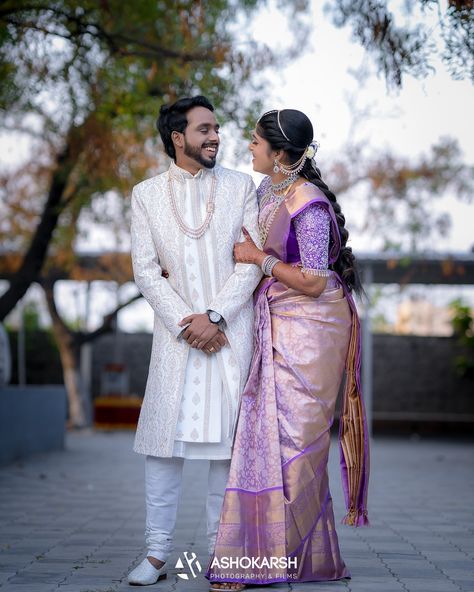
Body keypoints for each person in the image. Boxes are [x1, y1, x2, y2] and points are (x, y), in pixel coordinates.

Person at [207, 109, 370, 590]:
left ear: (281, 155)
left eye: (256, 143)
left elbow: (315, 282)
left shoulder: (309, 203)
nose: (250, 149)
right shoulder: (265, 191)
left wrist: (259, 260)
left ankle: (266, 560)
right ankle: (283, 557)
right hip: (274, 320)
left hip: (312, 328)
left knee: (296, 441)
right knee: (261, 438)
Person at [127, 96, 262, 586]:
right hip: (178, 339)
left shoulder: (241, 187)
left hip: (229, 336)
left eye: (217, 128)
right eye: (205, 129)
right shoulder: (144, 195)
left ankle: (220, 554)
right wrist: (189, 323)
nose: (216, 137)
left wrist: (216, 317)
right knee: (165, 449)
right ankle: (157, 555)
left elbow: (252, 259)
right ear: (177, 137)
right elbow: (144, 270)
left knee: (227, 451)